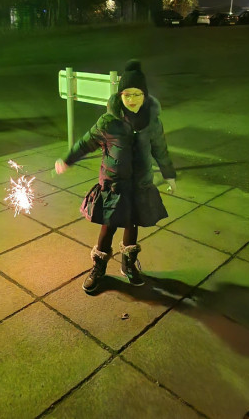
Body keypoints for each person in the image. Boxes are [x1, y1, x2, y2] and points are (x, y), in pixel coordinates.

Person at [54, 59, 176, 292]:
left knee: (132, 224)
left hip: (139, 185)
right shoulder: (109, 122)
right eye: (127, 95)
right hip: (114, 185)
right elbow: (86, 142)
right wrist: (67, 160)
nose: (132, 100)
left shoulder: (152, 122)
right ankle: (99, 268)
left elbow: (160, 150)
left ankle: (128, 265)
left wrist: (169, 175)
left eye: (137, 94)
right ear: (120, 96)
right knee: (108, 226)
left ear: (145, 95)